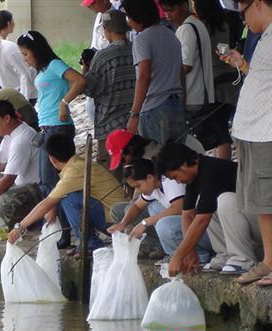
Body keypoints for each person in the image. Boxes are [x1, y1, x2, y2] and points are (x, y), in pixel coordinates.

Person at [219, 0, 272, 286]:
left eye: (243, 12)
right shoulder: (264, 36)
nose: (243, 19)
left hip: (267, 130)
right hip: (252, 131)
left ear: (260, 3)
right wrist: (241, 64)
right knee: (263, 201)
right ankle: (268, 261)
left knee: (270, 196)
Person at [17, 30, 87, 249]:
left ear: (36, 51)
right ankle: (63, 231)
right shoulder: (44, 70)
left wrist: (65, 103)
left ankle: (70, 233)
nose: (25, 59)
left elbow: (79, 80)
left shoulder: (55, 65)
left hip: (58, 128)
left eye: (26, 54)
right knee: (48, 182)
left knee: (55, 182)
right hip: (47, 128)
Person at [7, 132, 124, 252]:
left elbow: (47, 202)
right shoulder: (77, 165)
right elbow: (57, 192)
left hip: (117, 223)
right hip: (117, 217)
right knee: (64, 196)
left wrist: (19, 227)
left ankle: (90, 244)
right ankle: (89, 242)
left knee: (68, 199)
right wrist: (52, 208)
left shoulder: (74, 171)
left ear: (52, 159)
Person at [160, 0, 232, 160]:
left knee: (198, 144)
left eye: (170, 10)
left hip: (196, 93)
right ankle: (220, 166)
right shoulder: (213, 24)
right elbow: (223, 48)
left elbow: (186, 65)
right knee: (219, 133)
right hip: (220, 81)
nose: (167, 15)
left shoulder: (187, 28)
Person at [108, 158, 212, 265]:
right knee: (153, 207)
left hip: (205, 231)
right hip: (192, 229)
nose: (138, 190)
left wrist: (146, 222)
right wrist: (122, 224)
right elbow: (137, 207)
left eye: (138, 186)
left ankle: (198, 256)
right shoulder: (154, 186)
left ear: (149, 178)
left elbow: (179, 208)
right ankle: (173, 253)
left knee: (164, 224)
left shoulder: (169, 181)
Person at [155, 143, 238, 276]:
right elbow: (187, 214)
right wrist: (190, 252)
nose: (178, 182)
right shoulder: (194, 177)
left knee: (219, 203)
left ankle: (241, 258)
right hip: (241, 221)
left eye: (175, 177)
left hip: (256, 220)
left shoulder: (211, 170)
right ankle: (225, 254)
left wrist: (178, 256)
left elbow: (202, 220)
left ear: (183, 166)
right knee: (206, 207)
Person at [121, 0, 186, 145]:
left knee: (157, 159)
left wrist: (135, 114)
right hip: (177, 103)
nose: (128, 22)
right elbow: (181, 73)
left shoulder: (142, 39)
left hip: (155, 107)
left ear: (137, 16)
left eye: (128, 16)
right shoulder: (171, 35)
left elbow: (144, 76)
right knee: (178, 159)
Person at [84, 9, 136, 168]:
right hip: (134, 123)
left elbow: (89, 89)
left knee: (111, 173)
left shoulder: (102, 56)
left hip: (108, 125)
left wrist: (85, 68)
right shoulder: (137, 50)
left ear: (107, 30)